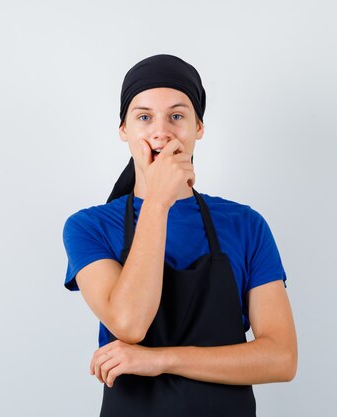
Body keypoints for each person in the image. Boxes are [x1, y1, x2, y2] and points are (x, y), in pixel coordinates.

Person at [62, 53, 297, 417]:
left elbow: (281, 358)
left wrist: (161, 360)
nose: (161, 131)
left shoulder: (245, 224)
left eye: (177, 116)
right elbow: (129, 323)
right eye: (143, 117)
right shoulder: (89, 227)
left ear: (198, 127)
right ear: (123, 130)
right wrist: (157, 201)